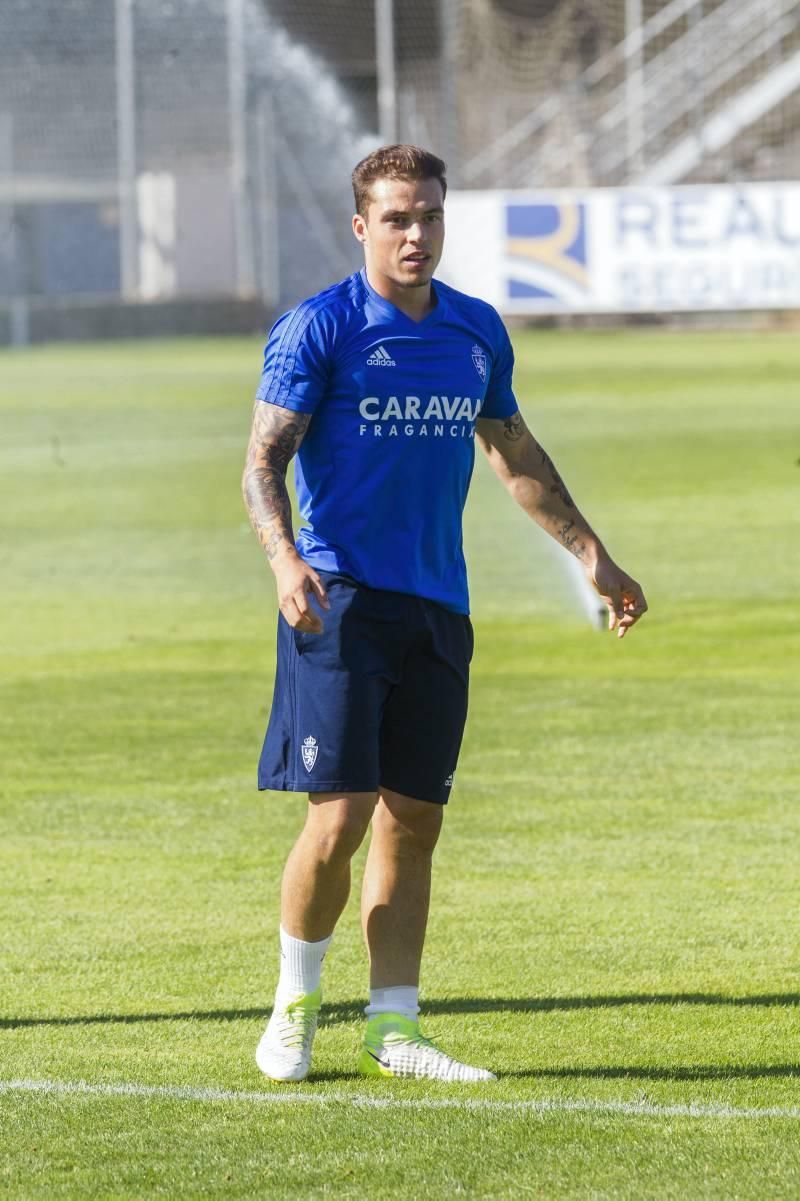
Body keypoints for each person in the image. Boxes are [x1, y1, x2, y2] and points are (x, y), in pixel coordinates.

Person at [242, 144, 647, 1084]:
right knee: (338, 818)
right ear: (361, 226)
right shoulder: (320, 328)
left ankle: (396, 1028)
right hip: (337, 597)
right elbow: (264, 458)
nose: (415, 233)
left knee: (413, 820)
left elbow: (514, 453)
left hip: (437, 605)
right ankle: (292, 1011)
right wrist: (283, 559)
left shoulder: (475, 332)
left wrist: (594, 556)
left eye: (428, 215)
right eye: (396, 218)